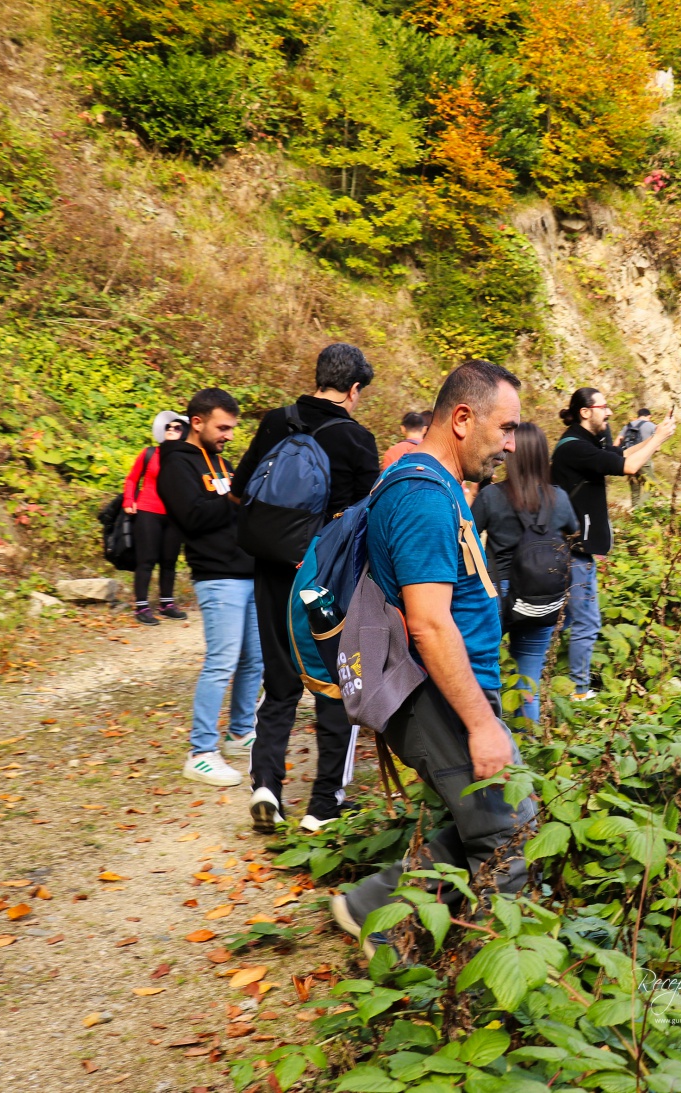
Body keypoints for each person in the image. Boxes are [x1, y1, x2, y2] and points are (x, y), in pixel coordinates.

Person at [329, 358, 537, 946]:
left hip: (449, 688)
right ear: (465, 419)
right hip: (437, 695)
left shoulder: (438, 485)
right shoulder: (422, 497)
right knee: (509, 834)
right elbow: (428, 623)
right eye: (505, 428)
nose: (510, 445)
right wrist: (481, 724)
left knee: (462, 826)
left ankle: (374, 912)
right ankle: (489, 995)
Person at [231, 343, 380, 836]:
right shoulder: (358, 440)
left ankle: (266, 787)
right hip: (324, 576)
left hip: (272, 566)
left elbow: (241, 487)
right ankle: (322, 806)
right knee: (335, 683)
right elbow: (367, 519)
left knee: (279, 680)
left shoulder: (277, 420)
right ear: (354, 390)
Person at [157, 388, 261, 788]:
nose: (229, 435)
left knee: (256, 659)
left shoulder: (221, 461)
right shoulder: (174, 466)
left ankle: (240, 732)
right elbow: (193, 516)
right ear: (196, 423)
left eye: (232, 428)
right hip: (217, 577)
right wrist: (234, 497)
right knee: (222, 661)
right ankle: (200, 752)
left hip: (247, 571)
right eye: (223, 427)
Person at [550, 388, 676, 699]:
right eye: (603, 407)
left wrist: (657, 437)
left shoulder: (581, 443)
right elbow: (629, 467)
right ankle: (577, 692)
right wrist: (658, 439)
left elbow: (621, 457)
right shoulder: (574, 447)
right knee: (585, 623)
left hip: (576, 549)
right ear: (585, 412)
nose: (608, 413)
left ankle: (553, 680)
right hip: (572, 551)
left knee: (565, 622)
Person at [472, 422, 578, 727]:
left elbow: (464, 534)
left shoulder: (492, 496)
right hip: (542, 594)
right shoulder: (558, 497)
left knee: (483, 669)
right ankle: (527, 750)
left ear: (512, 452)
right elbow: (574, 533)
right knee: (528, 678)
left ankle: (485, 736)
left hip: (499, 595)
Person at [123, 411, 190, 626]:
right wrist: (128, 501)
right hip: (148, 511)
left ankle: (166, 604)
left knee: (169, 561)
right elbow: (132, 479)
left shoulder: (187, 458)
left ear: (185, 432)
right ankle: (142, 606)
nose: (171, 429)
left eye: (177, 427)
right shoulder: (150, 453)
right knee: (147, 560)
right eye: (168, 427)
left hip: (174, 515)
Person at [619, 408, 657, 509]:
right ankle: (639, 510)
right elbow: (657, 447)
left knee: (635, 487)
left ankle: (634, 512)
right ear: (649, 416)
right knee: (651, 486)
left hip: (629, 459)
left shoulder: (627, 426)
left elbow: (618, 441)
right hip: (643, 459)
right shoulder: (651, 426)